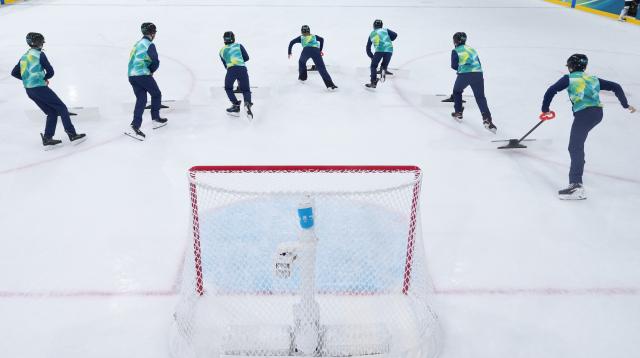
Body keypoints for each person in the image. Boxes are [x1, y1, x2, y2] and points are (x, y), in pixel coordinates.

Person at [541, 54, 636, 200]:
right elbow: (616, 86)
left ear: (571, 66)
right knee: (577, 146)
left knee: (574, 147)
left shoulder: (569, 78)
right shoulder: (593, 79)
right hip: (597, 114)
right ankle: (578, 168)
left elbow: (551, 90)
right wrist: (625, 105)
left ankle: (576, 185)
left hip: (584, 115)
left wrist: (545, 108)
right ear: (584, 67)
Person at [11, 32, 86, 150]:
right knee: (61, 108)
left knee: (51, 112)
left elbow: (14, 73)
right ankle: (72, 134)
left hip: (29, 91)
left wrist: (28, 79)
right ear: (40, 43)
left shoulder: (24, 56)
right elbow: (51, 72)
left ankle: (47, 138)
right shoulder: (40, 55)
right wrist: (44, 78)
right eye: (41, 41)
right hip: (40, 88)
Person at [125, 22, 167, 141]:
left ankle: (135, 125)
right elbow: (155, 61)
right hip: (142, 74)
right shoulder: (149, 44)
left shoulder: (137, 44)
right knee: (156, 94)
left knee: (141, 99)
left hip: (131, 75)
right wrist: (151, 70)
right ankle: (155, 119)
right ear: (153, 33)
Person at [450, 32, 497, 134]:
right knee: (480, 97)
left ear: (456, 41)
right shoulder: (472, 49)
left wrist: (461, 69)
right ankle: (487, 119)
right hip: (478, 74)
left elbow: (454, 65)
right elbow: (479, 63)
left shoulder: (456, 51)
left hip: (465, 75)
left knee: (457, 91)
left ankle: (458, 112)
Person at [288, 25, 338, 91]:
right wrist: (320, 50)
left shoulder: (301, 37)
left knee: (301, 62)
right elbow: (322, 39)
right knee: (322, 68)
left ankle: (302, 78)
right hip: (316, 51)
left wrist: (289, 52)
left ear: (302, 32)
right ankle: (331, 85)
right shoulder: (314, 36)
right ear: (309, 31)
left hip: (306, 51)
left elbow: (291, 42)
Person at [220, 31, 253, 119]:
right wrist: (239, 61)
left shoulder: (222, 51)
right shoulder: (239, 45)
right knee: (246, 90)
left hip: (231, 70)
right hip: (242, 69)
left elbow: (226, 65)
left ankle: (235, 105)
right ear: (233, 38)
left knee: (228, 88)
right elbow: (246, 57)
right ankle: (247, 104)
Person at [365, 19, 397, 89]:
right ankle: (383, 69)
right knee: (384, 64)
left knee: (373, 66)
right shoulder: (385, 30)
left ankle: (373, 81)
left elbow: (368, 48)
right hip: (389, 50)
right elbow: (395, 35)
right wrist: (390, 38)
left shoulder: (372, 34)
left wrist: (371, 56)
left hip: (379, 51)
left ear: (374, 26)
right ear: (381, 25)